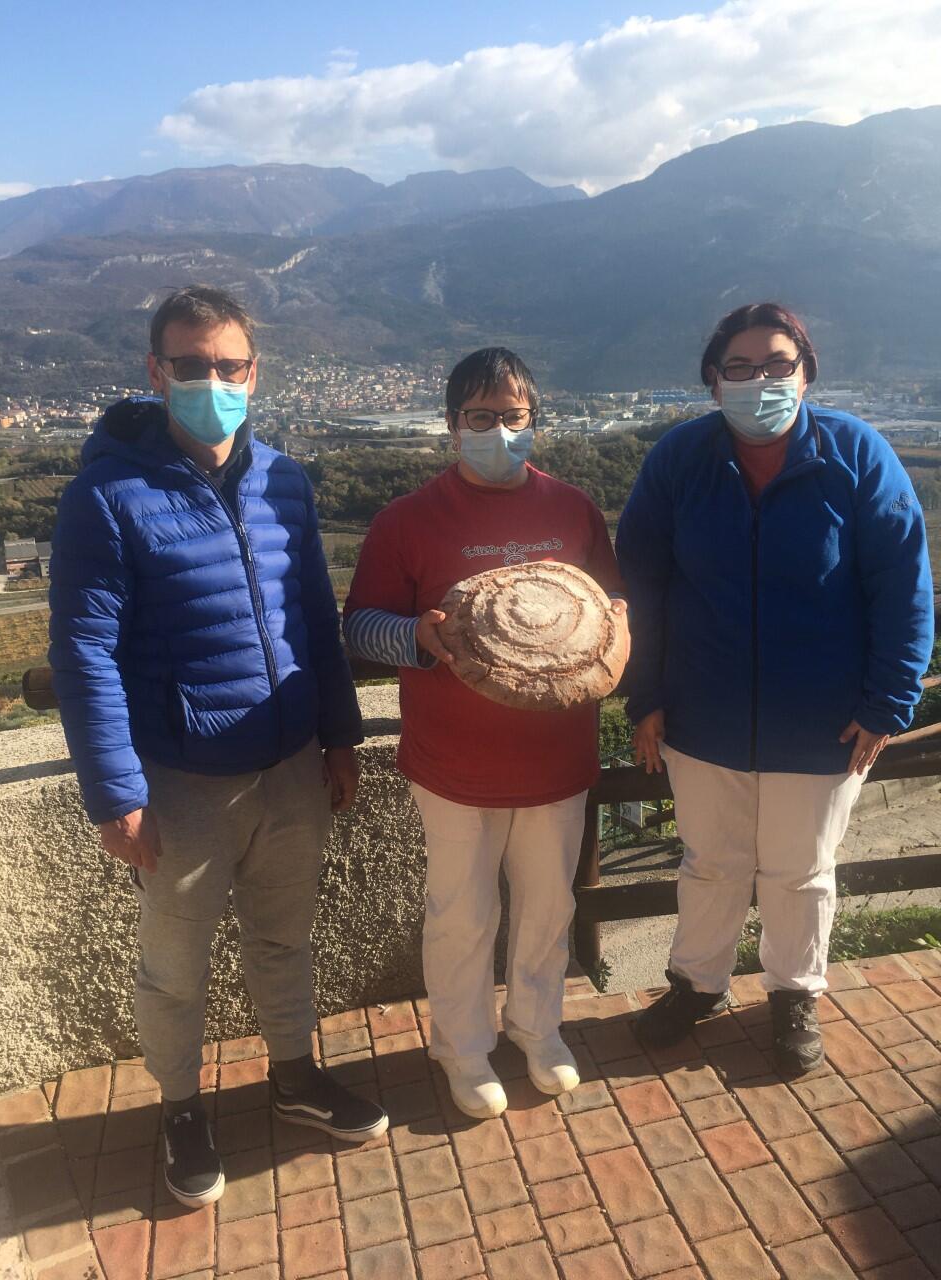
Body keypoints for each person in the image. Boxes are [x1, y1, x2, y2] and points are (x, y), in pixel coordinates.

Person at [49, 285, 387, 1208]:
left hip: (289, 764)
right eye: (189, 365)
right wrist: (114, 793)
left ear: (254, 371)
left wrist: (342, 735)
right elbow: (82, 652)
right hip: (180, 780)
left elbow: (315, 614)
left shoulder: (285, 479)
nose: (211, 381)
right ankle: (182, 1109)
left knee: (285, 939)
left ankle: (293, 1076)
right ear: (155, 373)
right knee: (175, 964)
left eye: (228, 366)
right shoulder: (106, 497)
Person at [615, 301, 934, 1075]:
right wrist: (646, 693)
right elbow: (641, 584)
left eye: (777, 364)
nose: (761, 380)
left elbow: (903, 585)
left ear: (806, 370)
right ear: (713, 379)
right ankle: (698, 984)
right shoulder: (680, 460)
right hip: (701, 715)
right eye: (741, 367)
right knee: (710, 861)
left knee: (801, 869)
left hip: (823, 724)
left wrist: (887, 703)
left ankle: (795, 994)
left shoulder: (855, 453)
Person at [343, 347, 628, 1119]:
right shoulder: (407, 520)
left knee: (548, 907)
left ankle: (538, 1029)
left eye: (512, 417)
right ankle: (462, 1049)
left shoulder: (571, 511)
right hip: (452, 766)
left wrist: (616, 636)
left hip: (556, 761)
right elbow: (360, 627)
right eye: (480, 418)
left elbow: (609, 613)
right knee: (463, 914)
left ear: (534, 419)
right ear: (451, 425)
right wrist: (419, 637)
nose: (497, 431)